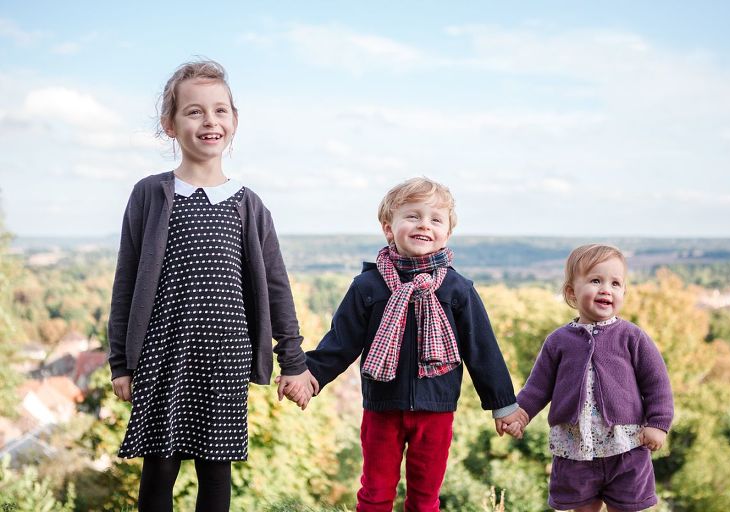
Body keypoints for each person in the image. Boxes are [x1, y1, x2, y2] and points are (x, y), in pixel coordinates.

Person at [107, 59, 315, 512]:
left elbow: (277, 289)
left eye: (220, 111)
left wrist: (294, 362)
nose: (209, 121)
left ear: (234, 121)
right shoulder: (150, 194)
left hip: (225, 355)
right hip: (164, 352)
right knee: (159, 467)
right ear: (170, 124)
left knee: (216, 470)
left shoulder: (249, 205)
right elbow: (126, 284)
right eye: (194, 111)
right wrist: (120, 363)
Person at [281, 177, 524, 511]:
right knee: (375, 493)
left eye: (435, 219)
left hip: (436, 410)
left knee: (425, 499)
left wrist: (503, 404)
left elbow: (482, 349)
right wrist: (309, 375)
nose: (424, 224)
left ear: (447, 234)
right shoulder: (369, 286)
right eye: (413, 216)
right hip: (382, 408)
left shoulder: (457, 290)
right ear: (388, 228)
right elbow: (341, 342)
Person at [505, 244, 674, 512]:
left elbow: (657, 384)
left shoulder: (632, 337)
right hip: (575, 448)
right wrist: (520, 414)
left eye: (615, 283)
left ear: (623, 292)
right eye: (596, 280)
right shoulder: (558, 341)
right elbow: (537, 387)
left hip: (626, 446)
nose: (606, 289)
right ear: (572, 292)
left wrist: (658, 423)